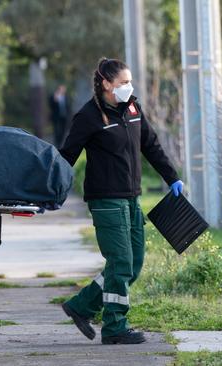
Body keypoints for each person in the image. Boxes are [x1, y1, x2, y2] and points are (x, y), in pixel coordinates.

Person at [59, 58, 184, 345]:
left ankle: (81, 305)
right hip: (105, 200)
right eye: (123, 83)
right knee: (120, 263)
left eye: (129, 82)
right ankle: (115, 326)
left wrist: (171, 177)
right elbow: (66, 156)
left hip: (131, 197)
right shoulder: (88, 116)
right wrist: (51, 189)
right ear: (106, 84)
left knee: (134, 263)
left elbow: (150, 144)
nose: (129, 87)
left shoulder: (132, 109)